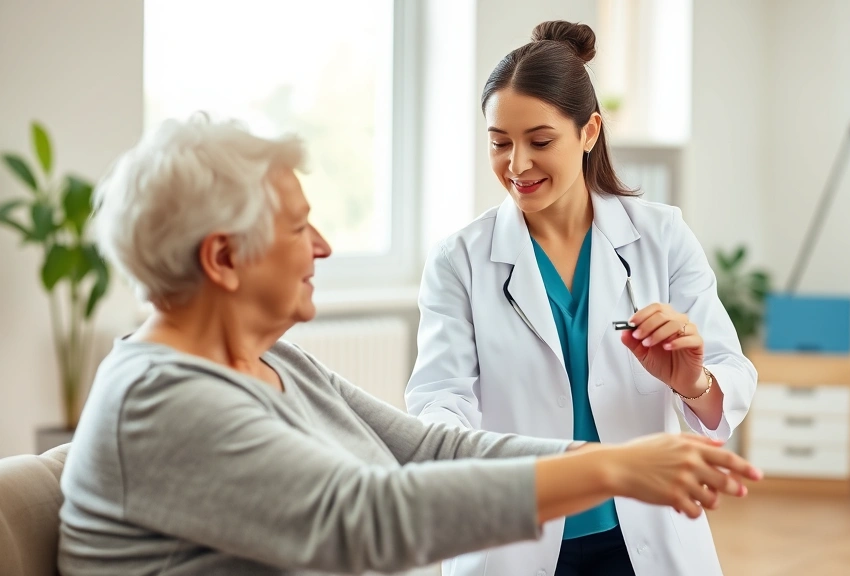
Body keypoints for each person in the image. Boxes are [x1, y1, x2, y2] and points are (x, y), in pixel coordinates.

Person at [57, 114, 760, 576]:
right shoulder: (161, 400)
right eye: (301, 228)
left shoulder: (274, 364)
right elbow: (363, 516)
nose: (324, 246)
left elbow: (429, 449)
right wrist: (611, 473)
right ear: (222, 258)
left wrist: (613, 459)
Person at [405, 20, 758, 576]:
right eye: (500, 143)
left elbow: (727, 377)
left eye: (540, 142)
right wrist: (444, 434)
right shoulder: (459, 260)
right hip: (514, 531)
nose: (516, 165)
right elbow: (439, 395)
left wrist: (691, 379)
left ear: (589, 131)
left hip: (642, 531)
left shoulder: (661, 237)